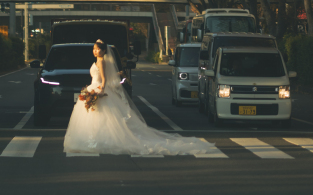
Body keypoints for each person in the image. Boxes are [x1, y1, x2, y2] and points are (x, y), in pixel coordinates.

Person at [64, 40, 215, 156]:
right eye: (94, 49)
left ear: (104, 51)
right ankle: (94, 140)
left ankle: (95, 141)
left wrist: (101, 91)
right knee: (98, 117)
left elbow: (103, 79)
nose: (96, 51)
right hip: (93, 87)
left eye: (98, 49)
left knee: (104, 118)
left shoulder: (102, 61)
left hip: (98, 88)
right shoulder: (98, 61)